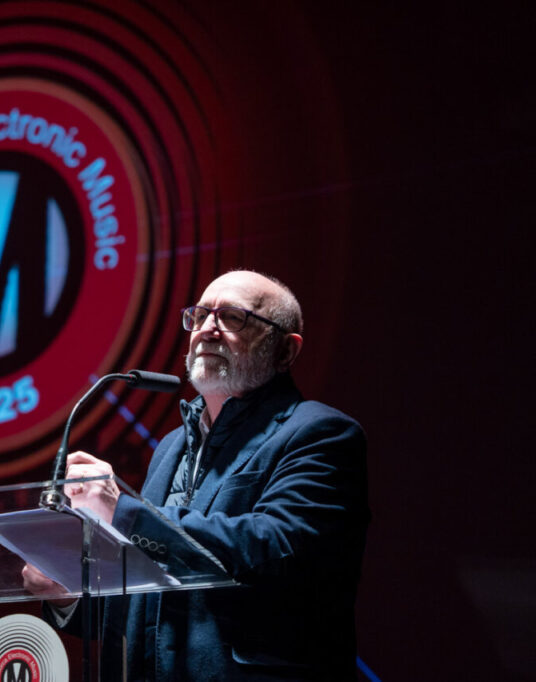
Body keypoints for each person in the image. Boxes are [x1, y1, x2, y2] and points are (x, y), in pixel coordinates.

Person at [23, 270, 369, 681]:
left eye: (233, 317)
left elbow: (273, 550)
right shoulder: (171, 448)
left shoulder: (320, 433)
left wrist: (125, 513)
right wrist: (67, 590)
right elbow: (146, 598)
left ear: (285, 351)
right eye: (201, 315)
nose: (207, 329)